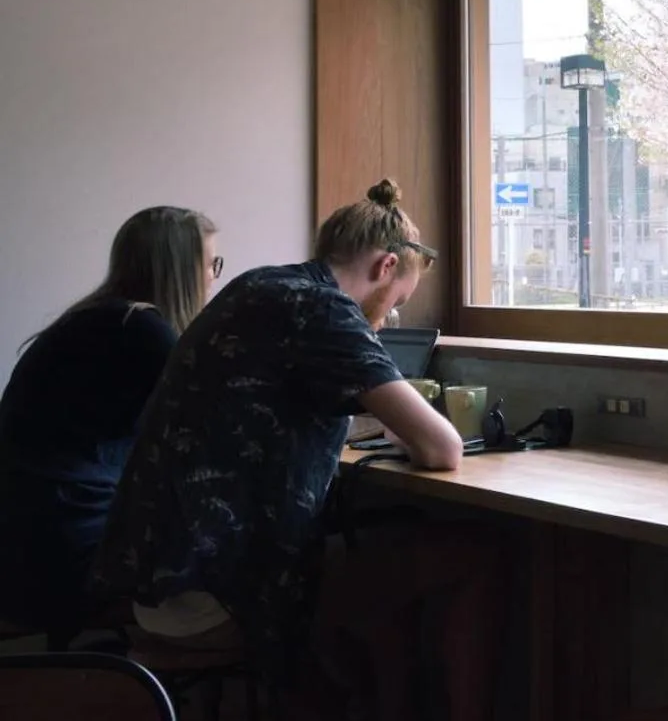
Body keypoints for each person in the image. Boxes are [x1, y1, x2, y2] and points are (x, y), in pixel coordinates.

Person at [94, 179, 499, 720]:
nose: (388, 319)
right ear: (384, 267)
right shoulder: (326, 309)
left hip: (160, 577)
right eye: (397, 302)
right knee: (468, 553)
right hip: (214, 595)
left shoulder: (259, 285)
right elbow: (443, 448)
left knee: (380, 583)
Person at [0, 206, 219, 641]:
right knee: (251, 576)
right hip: (59, 549)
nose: (214, 278)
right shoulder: (143, 332)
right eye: (211, 264)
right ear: (180, 269)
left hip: (23, 538)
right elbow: (218, 423)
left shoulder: (95, 320)